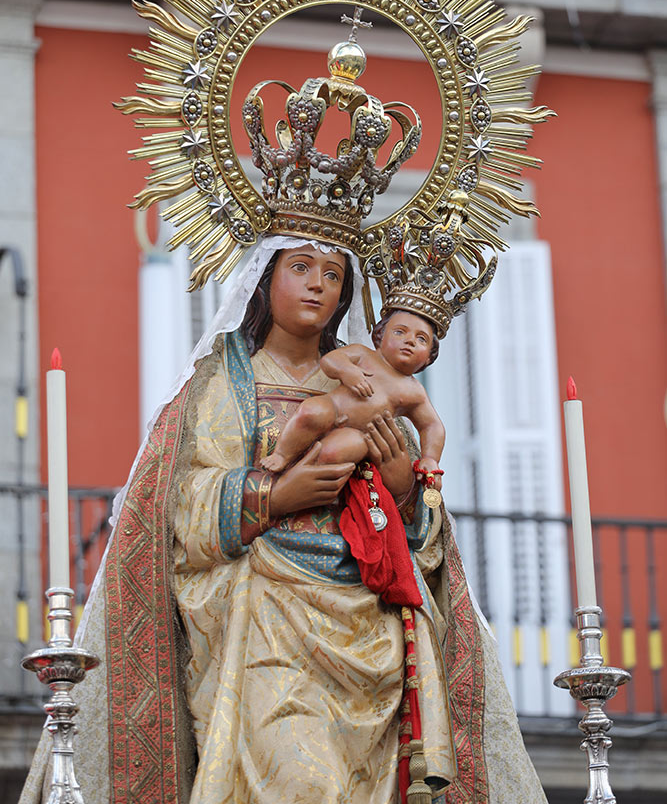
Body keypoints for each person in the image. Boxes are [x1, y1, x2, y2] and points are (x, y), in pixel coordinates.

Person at [20, 237, 548, 804]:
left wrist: (404, 490)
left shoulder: (368, 376)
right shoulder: (221, 379)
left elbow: (419, 534)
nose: (319, 284)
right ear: (265, 279)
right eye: (301, 268)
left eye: (334, 275)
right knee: (301, 783)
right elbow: (178, 504)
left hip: (370, 621)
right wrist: (276, 496)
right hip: (262, 616)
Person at [260, 308, 445, 478]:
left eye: (422, 339)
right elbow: (331, 360)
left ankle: (303, 476)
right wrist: (347, 371)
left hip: (360, 432)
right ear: (380, 336)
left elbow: (432, 426)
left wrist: (430, 458)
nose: (410, 340)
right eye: (399, 332)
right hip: (333, 407)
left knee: (335, 452)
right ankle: (282, 455)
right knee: (310, 412)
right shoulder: (363, 354)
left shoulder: (414, 391)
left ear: (429, 356)